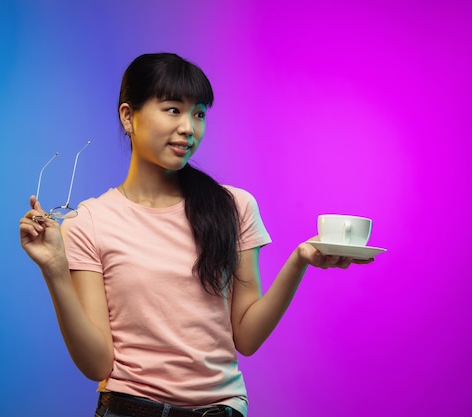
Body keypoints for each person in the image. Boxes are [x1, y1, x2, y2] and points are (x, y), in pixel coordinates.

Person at [19, 52, 372, 417]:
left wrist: (299, 260)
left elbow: (246, 338)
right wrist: (55, 270)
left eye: (199, 113)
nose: (189, 127)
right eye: (173, 109)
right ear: (128, 116)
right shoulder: (89, 221)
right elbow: (96, 364)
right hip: (128, 409)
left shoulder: (234, 207)